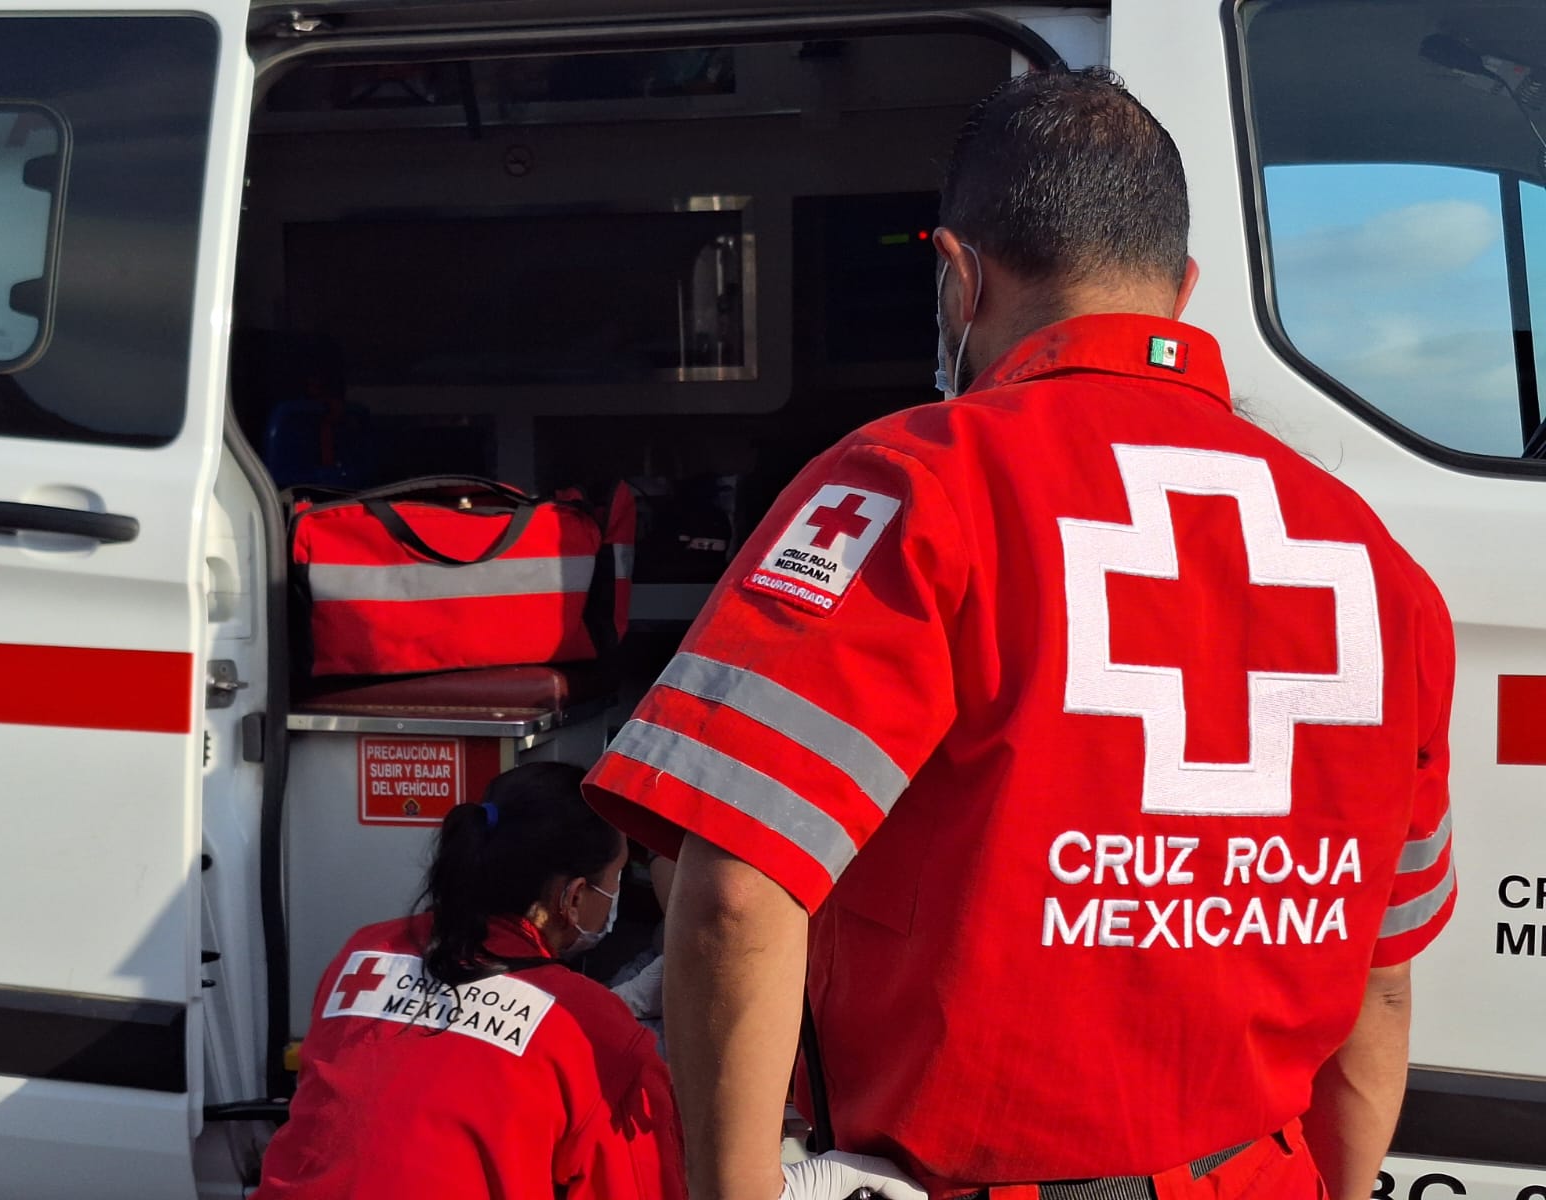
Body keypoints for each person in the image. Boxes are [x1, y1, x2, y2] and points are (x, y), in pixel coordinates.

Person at [584, 68, 1456, 1200]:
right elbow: (1379, 987)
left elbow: (740, 887)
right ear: (1180, 288)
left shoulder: (918, 485)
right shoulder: (1377, 563)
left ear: (957, 276)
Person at [252, 762, 685, 1200]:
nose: (616, 896)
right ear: (573, 897)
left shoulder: (366, 952)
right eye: (617, 879)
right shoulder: (594, 1030)